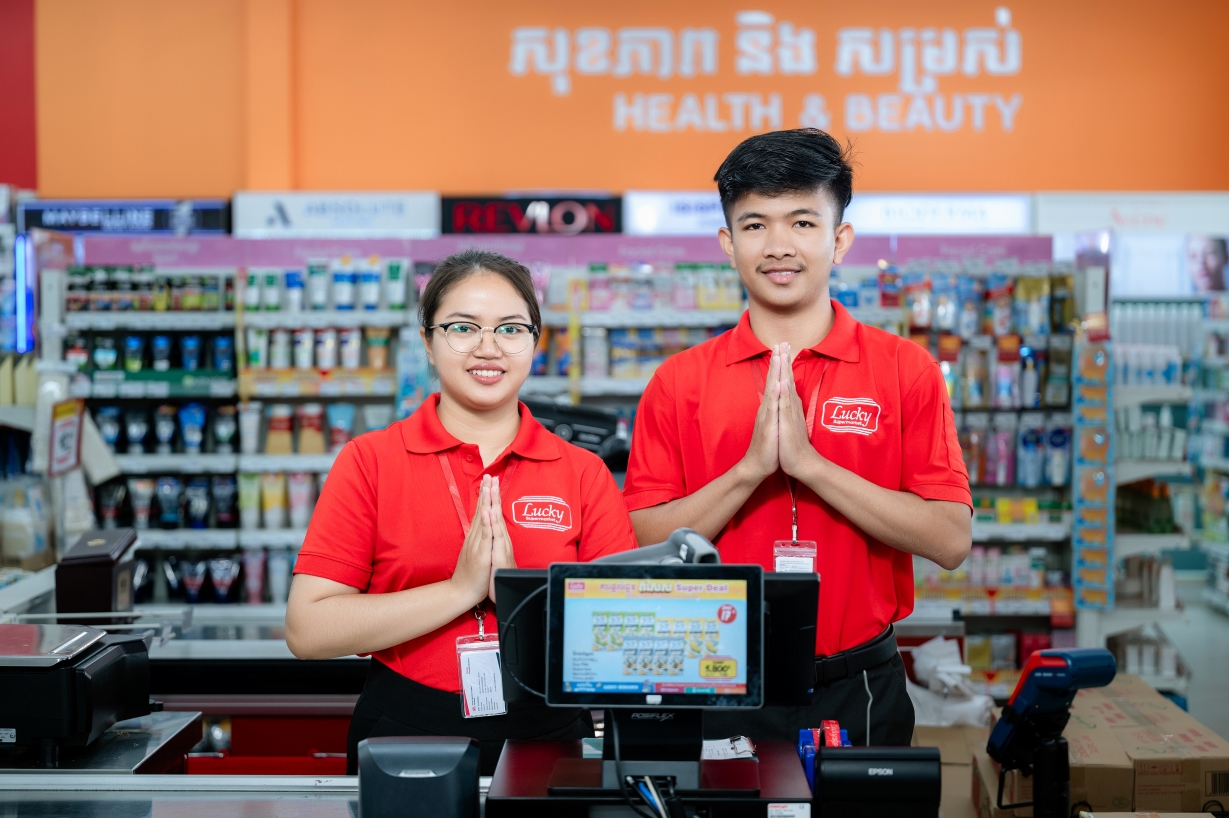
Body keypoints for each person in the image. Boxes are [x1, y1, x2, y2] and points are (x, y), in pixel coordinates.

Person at [622, 129, 972, 746]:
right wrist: (749, 471)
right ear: (728, 244)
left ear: (840, 241)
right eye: (755, 225)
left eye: (803, 223)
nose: (778, 246)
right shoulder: (679, 382)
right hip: (714, 680)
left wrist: (811, 466)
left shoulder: (904, 370)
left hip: (860, 685)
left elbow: (949, 539)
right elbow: (641, 544)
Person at [285, 249, 638, 775]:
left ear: (534, 343)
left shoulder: (583, 472)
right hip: (406, 726)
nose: (488, 347)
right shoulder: (370, 461)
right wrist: (459, 591)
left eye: (511, 329)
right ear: (428, 342)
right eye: (463, 327)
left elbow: (624, 642)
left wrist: (517, 599)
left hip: (549, 731)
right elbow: (307, 630)